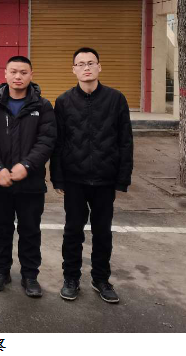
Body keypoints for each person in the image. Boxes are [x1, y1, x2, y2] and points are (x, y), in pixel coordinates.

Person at [51, 47, 133, 304]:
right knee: (72, 231)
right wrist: (57, 177)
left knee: (103, 232)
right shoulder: (63, 101)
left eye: (91, 63)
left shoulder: (116, 99)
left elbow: (125, 140)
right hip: (74, 179)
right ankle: (71, 278)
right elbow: (58, 143)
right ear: (73, 69)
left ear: (99, 67)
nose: (86, 67)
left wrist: (122, 178)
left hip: (104, 178)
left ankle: (101, 279)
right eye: (81, 64)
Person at [0, 56, 56, 298]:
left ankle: (30, 275)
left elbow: (47, 141)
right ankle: (0, 271)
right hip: (0, 182)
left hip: (31, 183)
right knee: (0, 228)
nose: (18, 76)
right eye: (13, 71)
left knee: (30, 230)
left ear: (31, 75)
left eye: (23, 72)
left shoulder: (42, 106)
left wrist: (27, 165)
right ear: (5, 74)